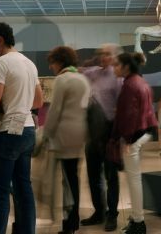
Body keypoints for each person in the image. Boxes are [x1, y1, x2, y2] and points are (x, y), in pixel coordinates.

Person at [0, 22, 43, 234]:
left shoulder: (1, 63)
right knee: (24, 188)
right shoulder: (29, 63)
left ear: (0, 40)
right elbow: (38, 102)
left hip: (7, 133)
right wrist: (20, 103)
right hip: (27, 130)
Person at [44, 46, 91, 234]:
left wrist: (46, 134)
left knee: (67, 183)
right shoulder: (82, 79)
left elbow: (54, 111)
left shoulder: (62, 80)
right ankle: (73, 221)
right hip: (80, 134)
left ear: (60, 62)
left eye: (52, 63)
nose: (51, 67)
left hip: (63, 135)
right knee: (73, 178)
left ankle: (68, 224)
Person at [110, 52, 157, 234]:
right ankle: (137, 218)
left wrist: (127, 139)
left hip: (135, 138)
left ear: (126, 67)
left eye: (117, 65)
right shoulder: (140, 81)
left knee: (134, 180)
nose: (114, 68)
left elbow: (127, 115)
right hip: (144, 133)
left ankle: (138, 222)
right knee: (134, 179)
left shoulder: (129, 85)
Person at [80, 44, 123, 232]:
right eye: (101, 54)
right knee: (93, 175)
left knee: (111, 176)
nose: (103, 57)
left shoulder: (118, 78)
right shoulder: (93, 73)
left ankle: (112, 215)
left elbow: (122, 108)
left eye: (107, 54)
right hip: (93, 133)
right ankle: (99, 212)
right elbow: (78, 72)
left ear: (114, 56)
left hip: (110, 133)